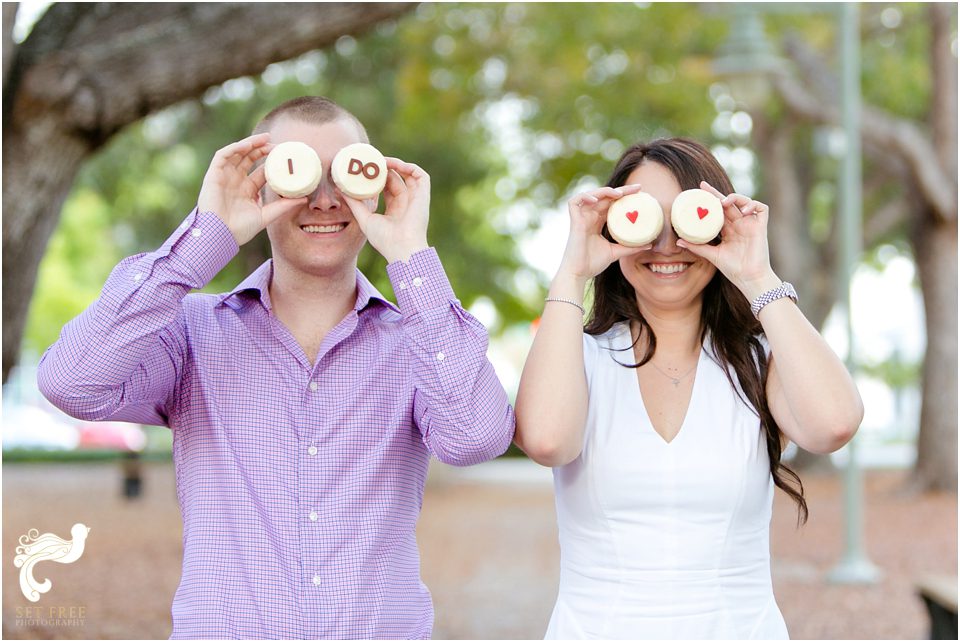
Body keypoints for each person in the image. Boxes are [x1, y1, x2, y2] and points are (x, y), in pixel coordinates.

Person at [38, 96, 515, 639]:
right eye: (299, 175)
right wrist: (204, 236)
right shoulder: (191, 332)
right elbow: (71, 383)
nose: (326, 200)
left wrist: (411, 254)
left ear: (374, 183)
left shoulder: (420, 341)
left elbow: (475, 439)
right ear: (259, 187)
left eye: (346, 177)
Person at [514, 138, 863, 639]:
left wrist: (756, 273)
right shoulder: (578, 358)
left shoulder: (760, 360)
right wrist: (572, 271)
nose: (666, 245)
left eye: (686, 220)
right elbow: (547, 440)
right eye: (643, 220)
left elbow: (833, 425)